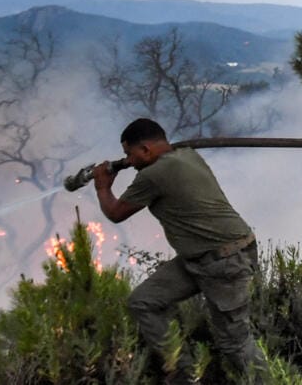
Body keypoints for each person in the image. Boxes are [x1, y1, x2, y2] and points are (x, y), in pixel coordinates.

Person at [92, 118, 265, 383]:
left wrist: (102, 186)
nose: (128, 161)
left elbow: (115, 213)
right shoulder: (186, 155)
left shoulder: (153, 175)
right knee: (143, 302)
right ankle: (186, 373)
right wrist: (128, 163)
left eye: (130, 154)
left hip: (224, 261)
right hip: (200, 259)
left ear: (146, 150)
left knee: (235, 344)